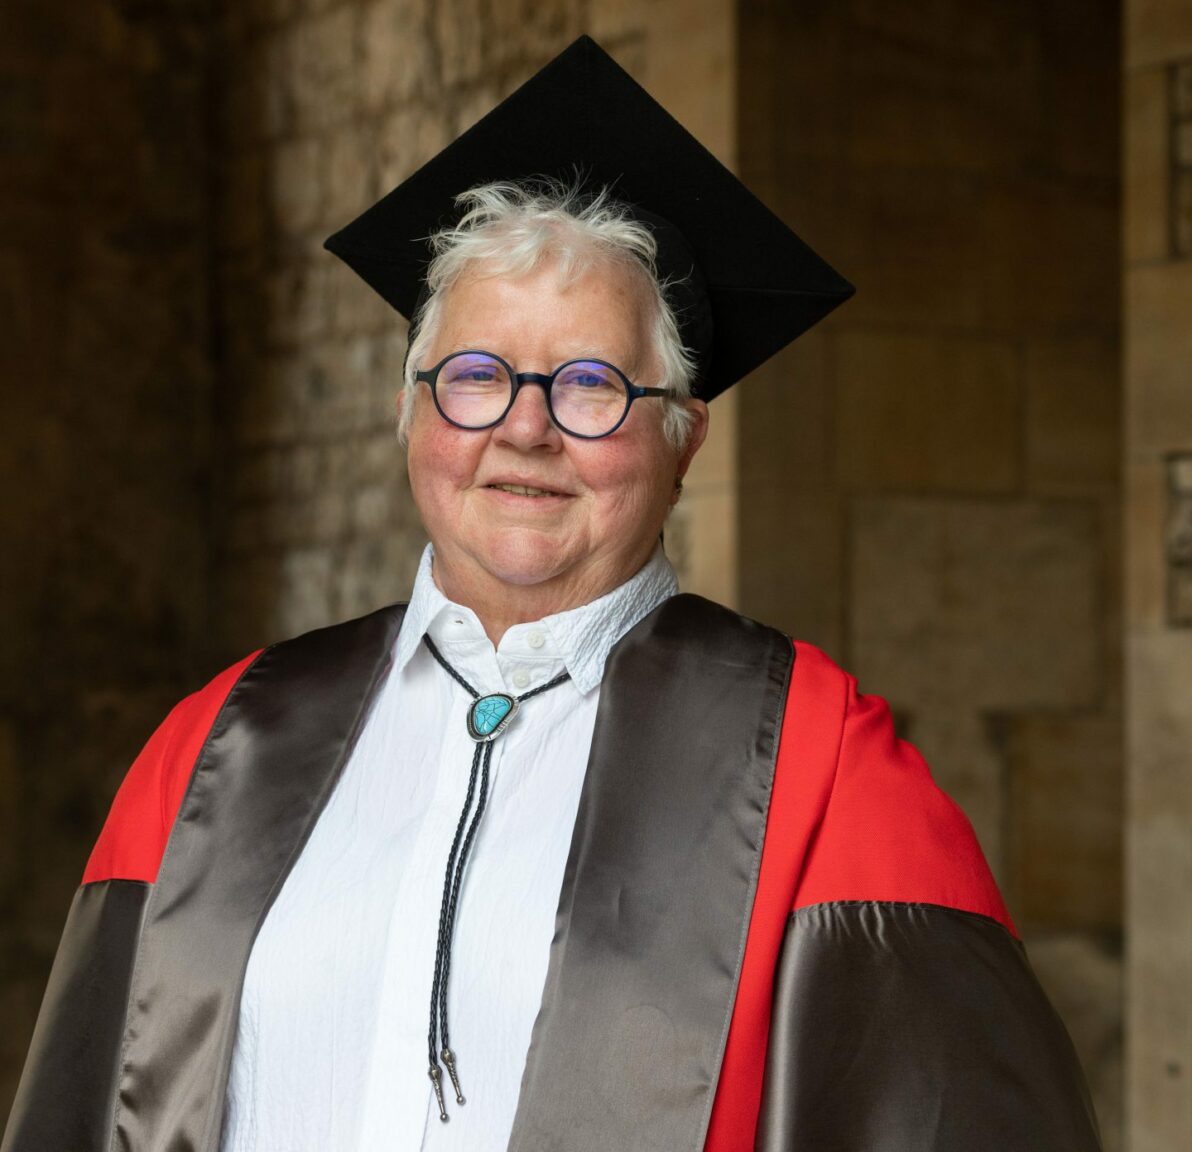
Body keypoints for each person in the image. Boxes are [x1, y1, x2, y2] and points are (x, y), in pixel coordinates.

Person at [3, 36, 1101, 1152]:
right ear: (411, 412)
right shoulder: (216, 749)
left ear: (682, 435)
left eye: (591, 385)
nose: (523, 429)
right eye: (476, 376)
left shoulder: (821, 768)